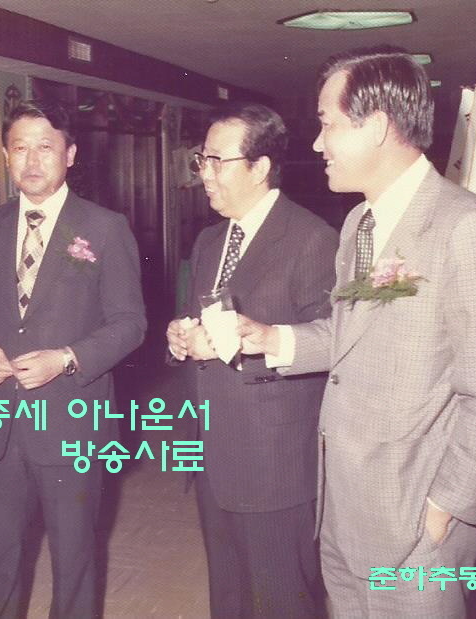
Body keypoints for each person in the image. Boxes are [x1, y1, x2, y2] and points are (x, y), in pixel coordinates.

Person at [237, 48, 476, 617]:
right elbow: (355, 331)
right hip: (345, 507)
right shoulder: (360, 223)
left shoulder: (469, 231)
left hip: (415, 526)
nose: (317, 144)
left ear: (375, 127)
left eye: (327, 125)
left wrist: (448, 507)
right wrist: (273, 339)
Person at [0, 100, 146, 618]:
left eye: (45, 146)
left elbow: (130, 323)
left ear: (70, 154)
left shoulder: (105, 227)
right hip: (2, 422)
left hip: (72, 419)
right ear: (5, 156)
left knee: (73, 561)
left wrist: (66, 358)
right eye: (20, 147)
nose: (32, 160)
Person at [166, 102, 337, 617]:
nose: (204, 174)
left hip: (275, 464)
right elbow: (202, 321)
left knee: (282, 601)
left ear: (260, 167)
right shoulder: (210, 239)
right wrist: (180, 338)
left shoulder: (312, 239)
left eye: (218, 161)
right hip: (213, 452)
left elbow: (333, 346)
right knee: (229, 597)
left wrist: (244, 347)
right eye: (202, 160)